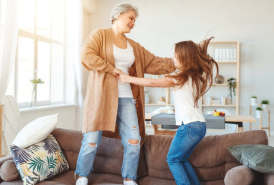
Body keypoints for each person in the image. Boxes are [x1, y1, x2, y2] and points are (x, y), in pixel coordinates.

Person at [75, 2, 176, 185]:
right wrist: (110, 68)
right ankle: (82, 175)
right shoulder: (100, 35)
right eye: (131, 18)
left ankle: (129, 177)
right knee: (91, 140)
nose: (133, 23)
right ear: (117, 15)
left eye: (134, 20)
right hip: (101, 98)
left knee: (133, 141)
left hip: (127, 98)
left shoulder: (134, 46)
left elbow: (154, 62)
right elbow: (86, 55)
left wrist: (179, 61)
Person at [119, 38, 219, 185]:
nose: (172, 58)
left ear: (183, 57)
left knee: (172, 159)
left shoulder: (180, 76)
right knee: (181, 159)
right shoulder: (194, 76)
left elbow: (153, 82)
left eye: (174, 55)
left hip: (190, 126)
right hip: (200, 125)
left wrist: (128, 78)